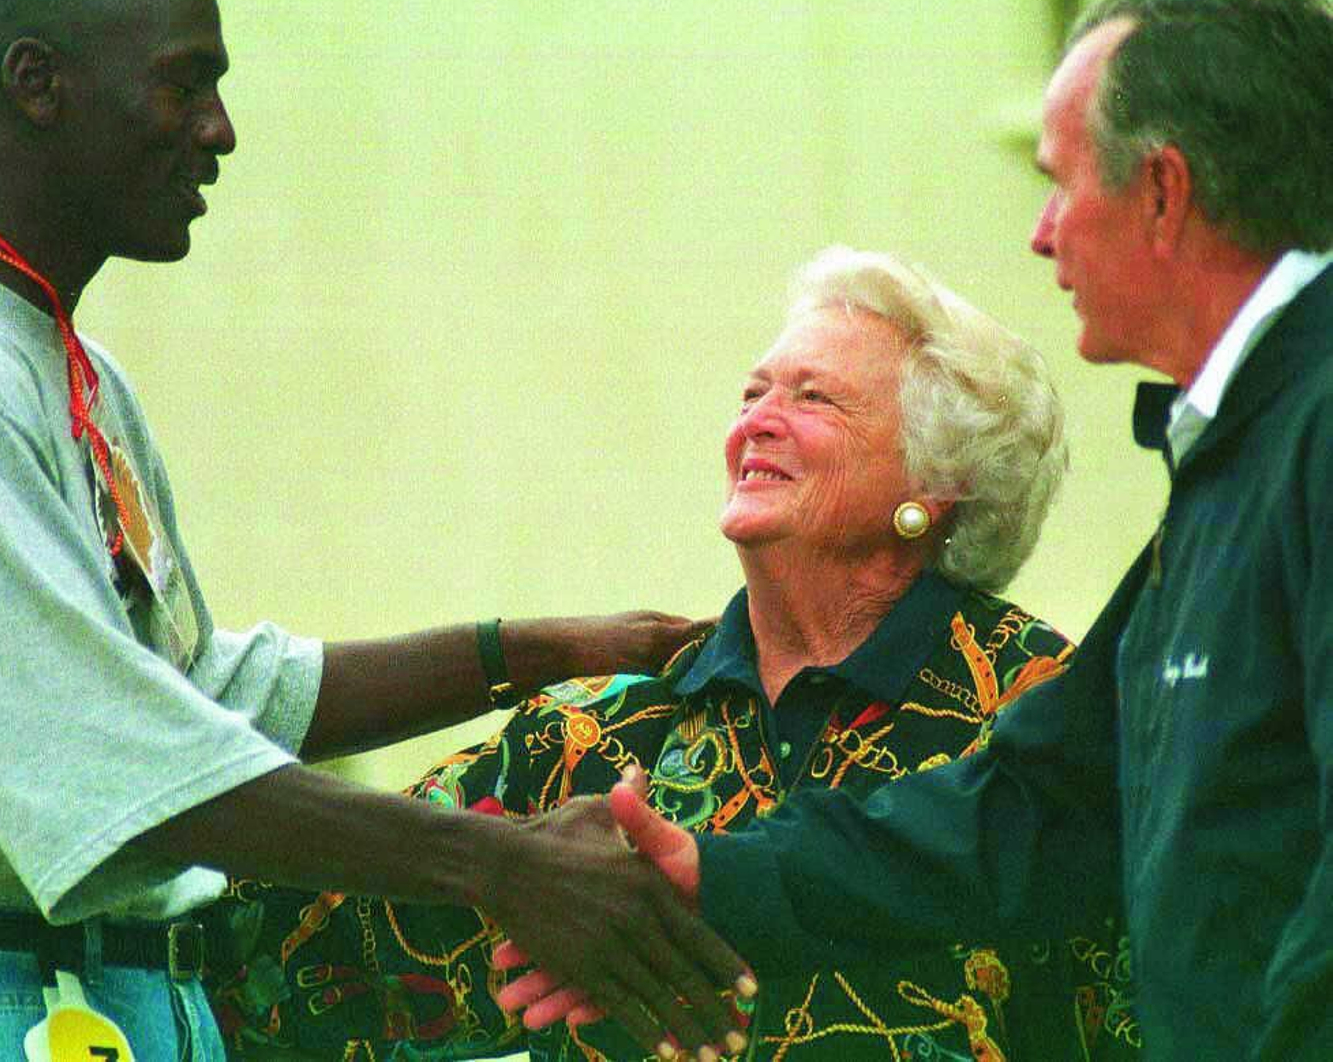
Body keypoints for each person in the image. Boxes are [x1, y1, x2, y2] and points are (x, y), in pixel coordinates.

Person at [0, 0, 752, 1058]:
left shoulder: (68, 368)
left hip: (109, 995)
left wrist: (552, 649)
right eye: (184, 83)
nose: (220, 130)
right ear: (37, 83)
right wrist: (503, 866)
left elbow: (201, 697)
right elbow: (113, 765)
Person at [501, 0, 1333, 1062]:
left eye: (1059, 182)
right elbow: (1049, 811)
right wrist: (716, 876)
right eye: (756, 390)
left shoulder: (1311, 430)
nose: (1040, 234)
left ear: (1163, 192)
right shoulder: (1243, 453)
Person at [200, 247, 1139, 1061]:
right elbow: (258, 973)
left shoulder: (1043, 709)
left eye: (813, 396)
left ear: (937, 484)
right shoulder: (594, 737)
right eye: (753, 392)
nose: (756, 421)